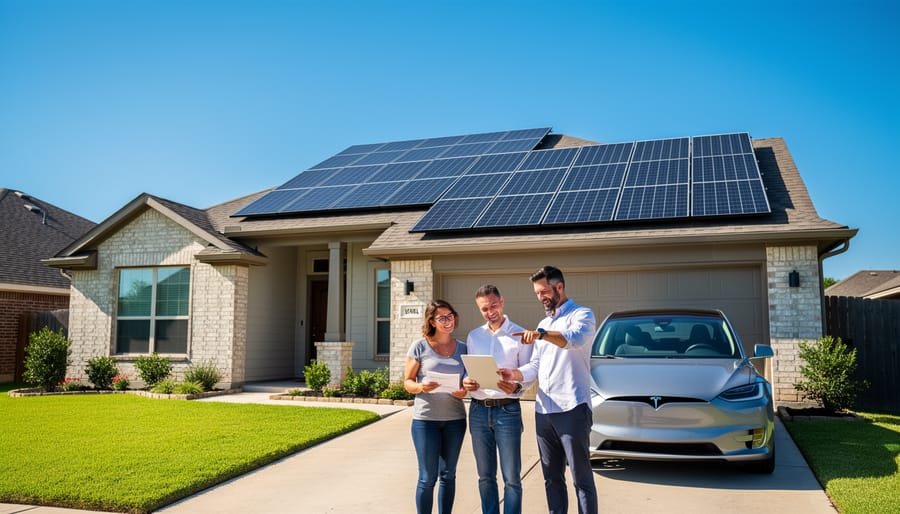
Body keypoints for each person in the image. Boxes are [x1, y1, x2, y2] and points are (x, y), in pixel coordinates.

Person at [499, 265, 598, 514]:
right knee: (552, 479)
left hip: (573, 408)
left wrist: (542, 335)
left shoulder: (582, 315)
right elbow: (536, 365)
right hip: (544, 411)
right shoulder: (543, 323)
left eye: (543, 291)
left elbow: (572, 339)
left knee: (581, 479)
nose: (541, 297)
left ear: (559, 287)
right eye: (537, 293)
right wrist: (516, 376)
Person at [462, 285, 534, 514]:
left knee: (512, 477)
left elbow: (530, 372)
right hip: (478, 411)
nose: (490, 311)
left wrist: (516, 386)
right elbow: (468, 371)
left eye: (493, 305)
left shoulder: (519, 335)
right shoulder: (474, 336)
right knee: (485, 477)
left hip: (507, 411)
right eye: (484, 309)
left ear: (502, 302)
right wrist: (467, 382)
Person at [404, 299, 468, 514]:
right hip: (426, 421)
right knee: (427, 477)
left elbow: (468, 382)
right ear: (432, 321)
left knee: (449, 475)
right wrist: (421, 387)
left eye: (450, 316)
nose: (448, 321)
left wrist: (464, 391)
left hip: (455, 420)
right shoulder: (419, 346)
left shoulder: (463, 348)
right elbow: (407, 382)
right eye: (442, 318)